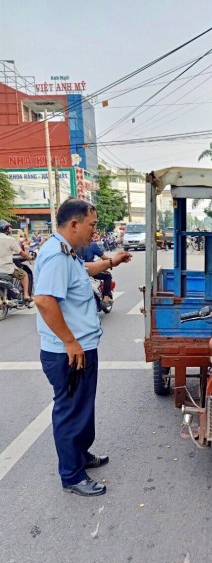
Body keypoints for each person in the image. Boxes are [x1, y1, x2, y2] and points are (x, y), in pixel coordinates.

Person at [34, 199, 131, 496]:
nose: (95, 232)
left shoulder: (68, 253)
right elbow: (44, 300)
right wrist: (70, 341)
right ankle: (71, 475)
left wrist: (112, 261)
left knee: (82, 407)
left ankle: (80, 455)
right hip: (68, 353)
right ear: (74, 224)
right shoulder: (55, 255)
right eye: (92, 225)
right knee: (70, 411)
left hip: (81, 349)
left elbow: (85, 270)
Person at [0, 220, 34, 306]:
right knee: (24, 275)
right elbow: (22, 253)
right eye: (9, 228)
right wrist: (29, 257)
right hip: (7, 268)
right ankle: (26, 295)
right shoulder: (9, 239)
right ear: (6, 229)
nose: (10, 229)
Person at [76, 240, 114, 304]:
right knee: (108, 276)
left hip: (77, 271)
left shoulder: (73, 244)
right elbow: (104, 257)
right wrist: (110, 263)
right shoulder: (93, 245)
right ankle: (106, 298)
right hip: (91, 270)